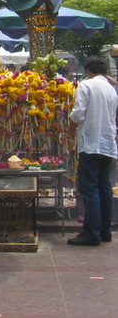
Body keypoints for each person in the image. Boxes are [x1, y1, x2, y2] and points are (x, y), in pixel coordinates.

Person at [67, 56, 118, 246]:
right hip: (107, 144)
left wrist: (70, 125)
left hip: (90, 143)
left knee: (89, 189)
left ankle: (91, 232)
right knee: (104, 187)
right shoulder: (111, 89)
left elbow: (78, 113)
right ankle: (105, 230)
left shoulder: (86, 86)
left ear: (88, 70)